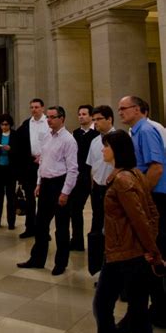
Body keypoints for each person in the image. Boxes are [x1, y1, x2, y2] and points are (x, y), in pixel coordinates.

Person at [93, 130, 162, 333]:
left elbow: (140, 218)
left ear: (117, 151)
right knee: (139, 313)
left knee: (104, 308)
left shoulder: (123, 180)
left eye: (106, 146)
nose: (103, 150)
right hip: (129, 253)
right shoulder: (134, 174)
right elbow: (152, 213)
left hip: (123, 255)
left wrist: (152, 250)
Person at [116, 95, 166, 333]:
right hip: (150, 195)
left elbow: (156, 167)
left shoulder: (145, 130)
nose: (121, 113)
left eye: (124, 109)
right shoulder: (136, 131)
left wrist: (140, 195)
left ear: (137, 109)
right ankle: (157, 307)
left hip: (155, 196)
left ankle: (156, 309)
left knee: (149, 252)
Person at [17, 105, 78, 275]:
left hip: (60, 184)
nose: (49, 120)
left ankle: (61, 262)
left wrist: (65, 192)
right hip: (45, 183)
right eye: (48, 117)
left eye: (52, 117)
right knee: (40, 225)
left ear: (62, 119)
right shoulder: (47, 137)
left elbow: (73, 169)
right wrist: (38, 183)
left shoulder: (68, 140)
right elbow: (43, 162)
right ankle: (37, 258)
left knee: (61, 227)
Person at [16, 98, 50, 238]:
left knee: (44, 200)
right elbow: (19, 143)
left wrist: (43, 156)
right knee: (30, 198)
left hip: (46, 163)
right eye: (31, 107)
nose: (34, 109)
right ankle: (29, 227)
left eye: (36, 107)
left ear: (42, 108)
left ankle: (44, 230)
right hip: (30, 166)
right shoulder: (26, 124)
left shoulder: (48, 123)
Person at [69, 104, 96, 250]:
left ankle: (95, 241)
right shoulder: (75, 133)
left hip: (94, 175)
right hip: (80, 176)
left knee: (97, 210)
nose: (81, 116)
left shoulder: (97, 133)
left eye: (84, 114)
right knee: (75, 208)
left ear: (91, 116)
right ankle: (77, 240)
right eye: (79, 114)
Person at [86, 105, 115, 233]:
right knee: (97, 218)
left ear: (109, 119)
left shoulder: (119, 138)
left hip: (113, 186)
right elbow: (92, 166)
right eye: (94, 119)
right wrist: (93, 185)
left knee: (112, 220)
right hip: (97, 187)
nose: (95, 122)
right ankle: (97, 249)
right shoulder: (94, 141)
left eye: (99, 119)